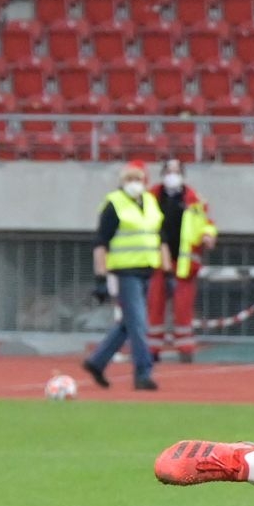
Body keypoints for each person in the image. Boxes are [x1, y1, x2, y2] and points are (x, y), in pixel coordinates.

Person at [82, 161, 167, 392]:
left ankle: (97, 361)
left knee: (128, 324)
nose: (134, 183)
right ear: (122, 182)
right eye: (129, 179)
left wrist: (165, 265)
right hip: (125, 271)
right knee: (139, 323)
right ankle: (143, 372)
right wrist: (101, 277)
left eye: (138, 179)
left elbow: (159, 234)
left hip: (147, 269)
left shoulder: (150, 202)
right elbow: (101, 242)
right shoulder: (114, 204)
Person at [146, 160, 216, 364]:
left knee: (183, 308)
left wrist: (208, 235)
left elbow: (207, 224)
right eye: (169, 171)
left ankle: (185, 348)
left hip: (184, 263)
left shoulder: (195, 200)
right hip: (156, 261)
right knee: (154, 306)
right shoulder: (150, 198)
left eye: (176, 172)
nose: (172, 175)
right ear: (162, 174)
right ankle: (152, 348)